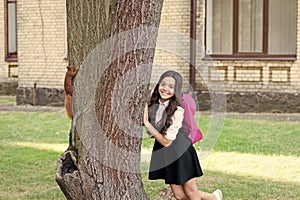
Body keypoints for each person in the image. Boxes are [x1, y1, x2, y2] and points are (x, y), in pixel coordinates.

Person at [143, 70, 222, 200]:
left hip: (180, 150)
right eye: (163, 84)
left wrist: (147, 123)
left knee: (191, 192)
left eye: (171, 87)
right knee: (179, 195)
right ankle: (212, 197)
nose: (165, 89)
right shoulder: (154, 100)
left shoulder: (178, 110)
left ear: (177, 90)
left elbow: (167, 142)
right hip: (166, 153)